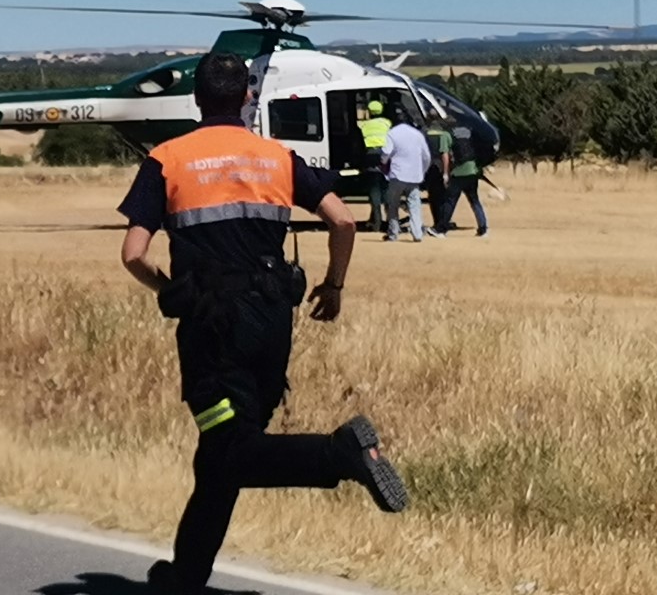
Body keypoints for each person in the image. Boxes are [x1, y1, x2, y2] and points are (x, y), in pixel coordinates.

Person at [118, 52, 408, 595]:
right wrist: (334, 286)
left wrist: (171, 292)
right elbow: (344, 221)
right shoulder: (277, 157)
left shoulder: (167, 159)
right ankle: (184, 580)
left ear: (198, 98)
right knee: (220, 457)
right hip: (273, 325)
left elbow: (134, 254)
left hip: (212, 329)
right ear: (247, 97)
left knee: (231, 450)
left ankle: (340, 453)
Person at [381, 108, 431, 242]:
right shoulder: (417, 134)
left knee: (393, 204)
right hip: (414, 176)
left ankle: (393, 233)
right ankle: (417, 233)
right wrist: (422, 171)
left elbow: (386, 153)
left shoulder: (392, 133)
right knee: (414, 205)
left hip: (397, 175)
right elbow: (426, 156)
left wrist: (383, 165)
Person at [439, 122, 489, 237]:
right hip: (473, 170)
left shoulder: (446, 134)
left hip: (458, 172)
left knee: (450, 201)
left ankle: (441, 229)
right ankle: (483, 228)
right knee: (474, 201)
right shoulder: (468, 132)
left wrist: (446, 173)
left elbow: (445, 155)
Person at [357, 99, 393, 232]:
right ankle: (391, 222)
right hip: (385, 157)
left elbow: (359, 143)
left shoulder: (363, 125)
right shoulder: (387, 123)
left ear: (369, 112)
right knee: (386, 188)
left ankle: (377, 222)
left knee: (374, 190)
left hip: (370, 156)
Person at [423, 119, 453, 238]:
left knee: (433, 197)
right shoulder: (444, 135)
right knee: (443, 197)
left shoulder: (425, 135)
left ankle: (437, 222)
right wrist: (446, 172)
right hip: (440, 168)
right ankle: (442, 222)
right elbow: (446, 154)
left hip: (429, 168)